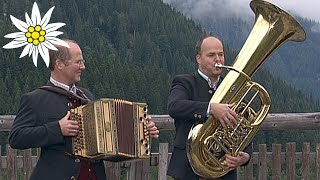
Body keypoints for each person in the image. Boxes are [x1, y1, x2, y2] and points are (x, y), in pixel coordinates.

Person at [8, 39, 159, 180]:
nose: (83, 67)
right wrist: (57, 129)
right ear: (59, 64)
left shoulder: (86, 95)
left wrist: (141, 132)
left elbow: (106, 147)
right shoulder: (35, 99)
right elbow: (16, 138)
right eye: (78, 62)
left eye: (82, 61)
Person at [167, 35, 252, 180]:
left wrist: (245, 156)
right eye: (211, 55)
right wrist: (211, 108)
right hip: (188, 171)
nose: (218, 59)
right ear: (198, 58)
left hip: (223, 172)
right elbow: (174, 106)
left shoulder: (234, 89)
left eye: (221, 54)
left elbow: (244, 127)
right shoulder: (185, 82)